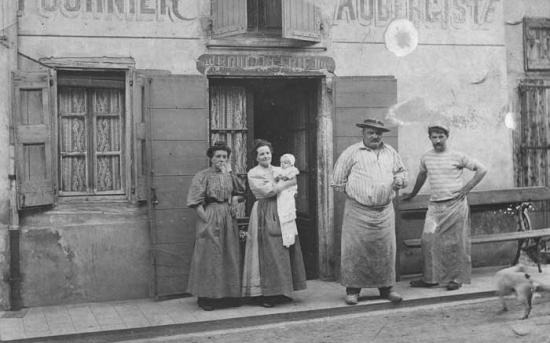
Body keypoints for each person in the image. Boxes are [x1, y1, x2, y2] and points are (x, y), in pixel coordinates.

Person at [401, 123, 487, 291]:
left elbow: (482, 170)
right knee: (428, 240)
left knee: (456, 242)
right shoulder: (426, 157)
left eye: (441, 136)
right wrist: (412, 194)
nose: (438, 140)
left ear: (447, 137)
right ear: (430, 138)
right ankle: (430, 279)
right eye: (434, 137)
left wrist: (467, 188)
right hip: (435, 207)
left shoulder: (457, 156)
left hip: (455, 205)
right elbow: (422, 175)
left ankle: (455, 279)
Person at [331, 118, 408, 305]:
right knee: (355, 251)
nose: (375, 136)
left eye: (378, 133)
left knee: (385, 251)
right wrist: (362, 194)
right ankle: (353, 291)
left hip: (384, 211)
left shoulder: (390, 152)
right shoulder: (352, 152)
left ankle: (386, 289)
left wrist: (400, 180)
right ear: (363, 133)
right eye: (371, 132)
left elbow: (402, 172)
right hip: (358, 211)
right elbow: (337, 181)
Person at [242, 140, 307, 308]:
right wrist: (287, 183)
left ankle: (282, 291)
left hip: (282, 209)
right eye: (261, 153)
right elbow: (268, 191)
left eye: (268, 153)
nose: (265, 156)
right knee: (267, 251)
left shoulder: (279, 169)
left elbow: (294, 186)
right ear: (256, 157)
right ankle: (265, 293)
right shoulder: (253, 173)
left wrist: (286, 185)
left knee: (282, 249)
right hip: (265, 211)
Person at [186, 141, 246, 311]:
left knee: (229, 253)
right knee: (209, 254)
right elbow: (195, 201)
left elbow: (241, 193)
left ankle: (229, 295)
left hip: (228, 215)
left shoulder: (230, 175)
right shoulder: (202, 175)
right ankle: (206, 297)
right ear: (211, 158)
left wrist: (234, 199)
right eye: (218, 156)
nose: (221, 159)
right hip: (210, 213)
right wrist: (205, 218)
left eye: (224, 157)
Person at [273, 153, 300, 248]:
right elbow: (275, 178)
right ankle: (285, 238)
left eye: (285, 163)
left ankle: (289, 240)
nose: (282, 164)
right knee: (281, 213)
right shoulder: (279, 170)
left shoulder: (292, 170)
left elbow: (292, 178)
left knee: (288, 215)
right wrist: (278, 177)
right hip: (281, 194)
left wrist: (285, 177)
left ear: (291, 163)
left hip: (288, 193)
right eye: (281, 162)